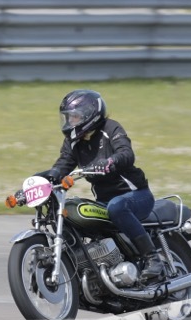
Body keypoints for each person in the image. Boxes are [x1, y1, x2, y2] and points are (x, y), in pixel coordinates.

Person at [37, 89, 164, 280]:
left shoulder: (110, 128)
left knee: (117, 207)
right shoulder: (73, 141)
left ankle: (153, 258)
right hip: (104, 201)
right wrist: (47, 178)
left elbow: (126, 153)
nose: (70, 121)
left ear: (89, 115)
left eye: (74, 116)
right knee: (75, 214)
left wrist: (110, 162)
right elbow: (63, 164)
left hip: (136, 195)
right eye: (68, 117)